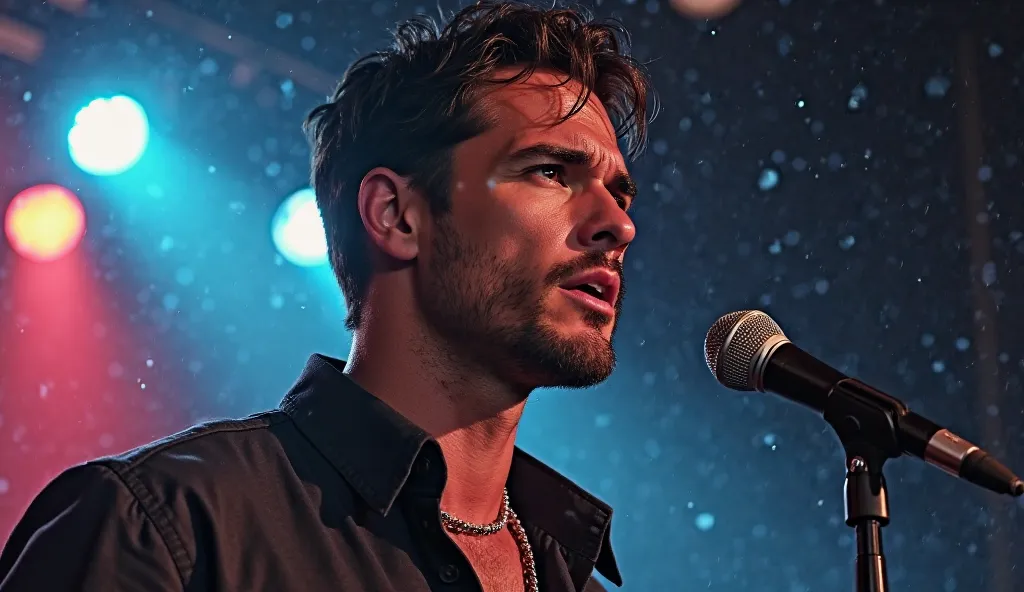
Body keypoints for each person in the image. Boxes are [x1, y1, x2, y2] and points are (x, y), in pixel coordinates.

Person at [0, 1, 653, 590]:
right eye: (549, 171)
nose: (618, 225)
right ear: (397, 216)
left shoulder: (570, 576)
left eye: (618, 192)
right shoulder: (166, 527)